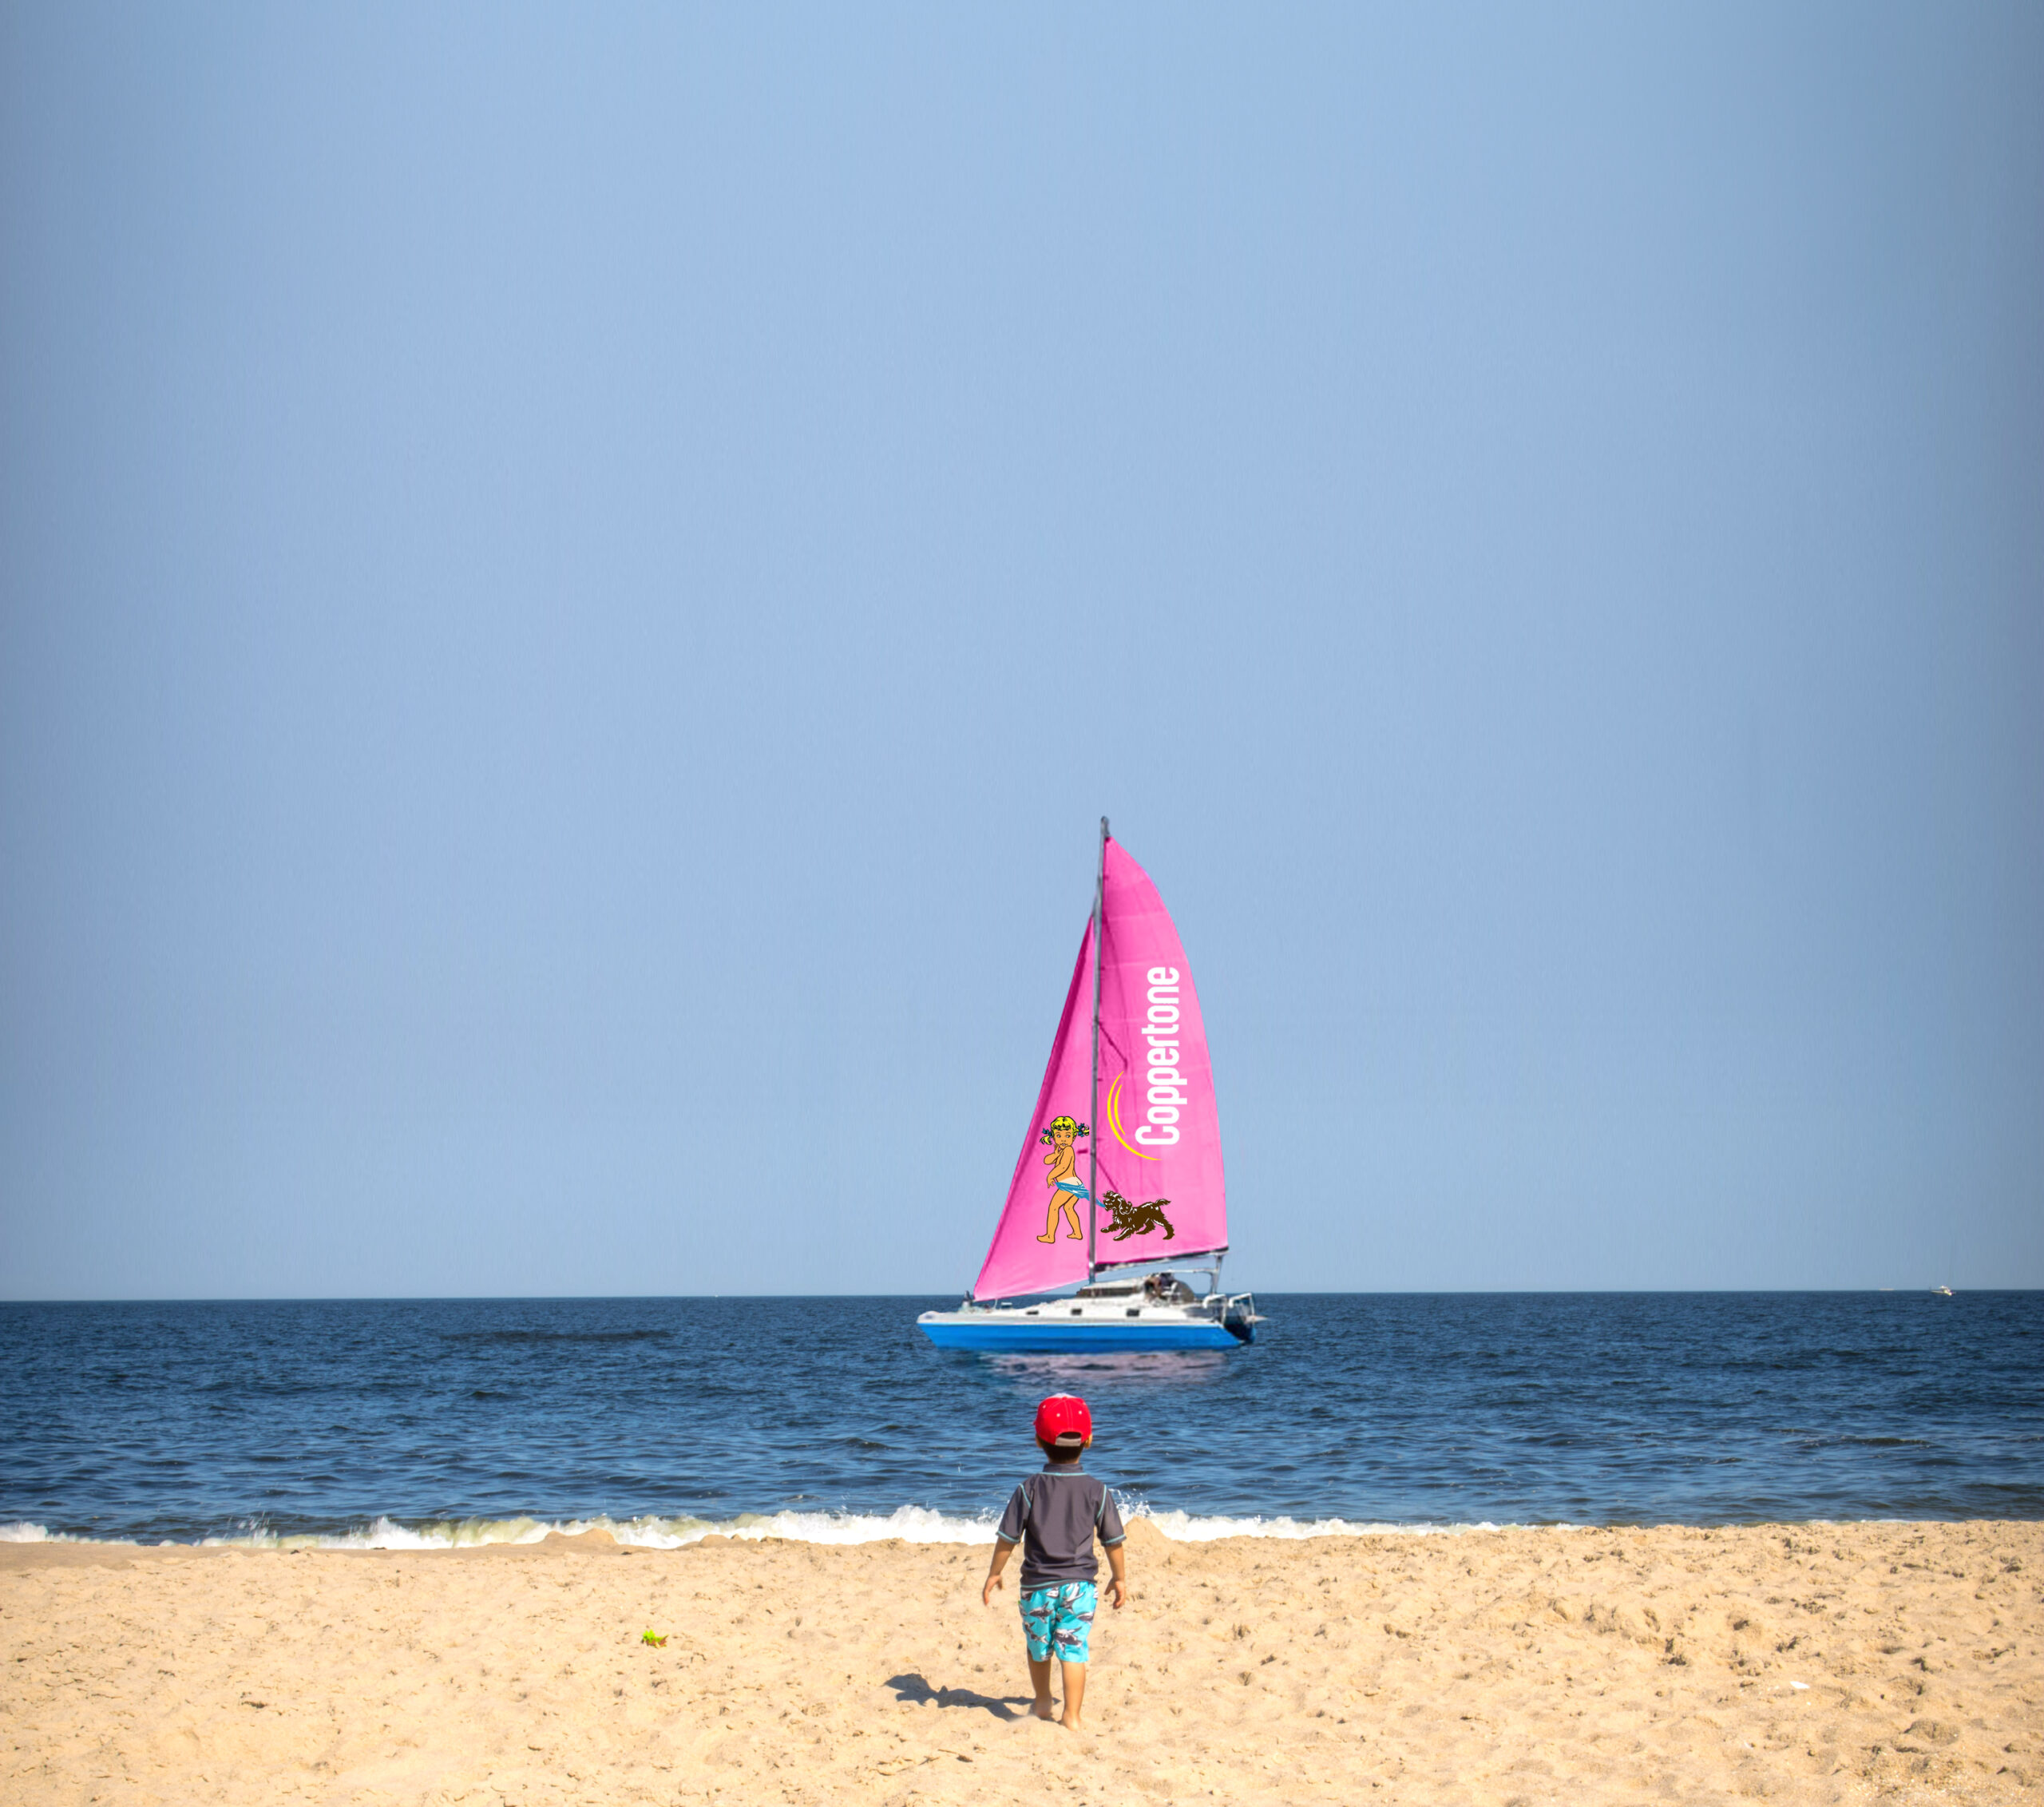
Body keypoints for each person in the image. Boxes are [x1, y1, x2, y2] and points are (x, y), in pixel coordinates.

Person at [980, 1393, 1129, 1730]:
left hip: (1037, 1586)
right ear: (1088, 1440)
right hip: (1081, 1587)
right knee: (1073, 1649)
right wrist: (1119, 1578)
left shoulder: (1028, 1489)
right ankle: (1072, 1717)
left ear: (1038, 1441)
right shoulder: (1098, 1490)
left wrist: (995, 1573)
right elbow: (1113, 1542)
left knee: (1038, 1647)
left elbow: (1008, 1537)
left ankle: (1044, 1700)